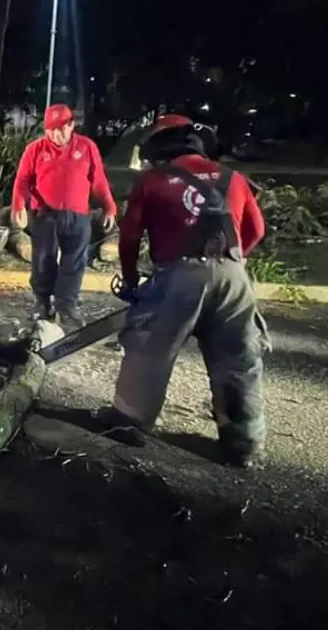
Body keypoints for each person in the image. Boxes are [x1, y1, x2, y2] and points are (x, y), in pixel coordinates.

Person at [103, 114, 269, 467]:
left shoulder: (153, 180)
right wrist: (228, 264)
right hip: (234, 279)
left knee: (150, 348)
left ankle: (129, 421)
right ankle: (243, 441)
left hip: (179, 277)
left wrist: (132, 281)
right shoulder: (234, 178)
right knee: (237, 359)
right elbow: (256, 231)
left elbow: (130, 237)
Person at [10, 103, 117, 327]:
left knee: (75, 261)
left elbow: (98, 180)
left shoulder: (87, 147)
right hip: (45, 214)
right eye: (50, 129)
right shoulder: (35, 149)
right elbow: (22, 180)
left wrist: (109, 206)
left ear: (71, 125)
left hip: (78, 215)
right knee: (43, 259)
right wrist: (18, 206)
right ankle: (41, 302)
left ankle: (66, 306)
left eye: (60, 129)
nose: (55, 134)